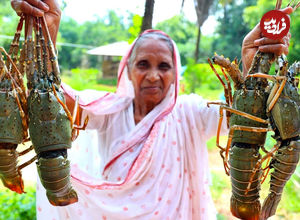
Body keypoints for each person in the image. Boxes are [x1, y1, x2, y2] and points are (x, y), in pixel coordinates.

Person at [11, 0, 292, 219]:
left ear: (175, 74)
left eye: (164, 66)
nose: (154, 76)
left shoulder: (190, 112)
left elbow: (240, 116)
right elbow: (53, 104)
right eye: (143, 64)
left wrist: (249, 64)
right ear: (128, 71)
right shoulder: (108, 110)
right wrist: (49, 26)